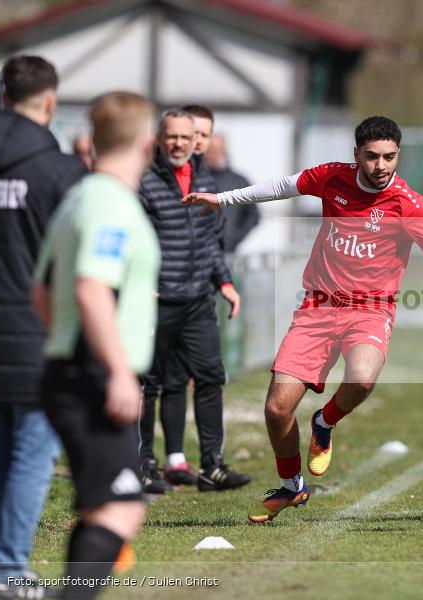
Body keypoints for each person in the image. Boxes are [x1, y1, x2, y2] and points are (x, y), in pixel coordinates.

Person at [182, 115, 423, 523]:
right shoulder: (331, 178)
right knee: (277, 409)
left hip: (371, 309)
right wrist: (223, 198)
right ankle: (291, 486)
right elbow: (282, 186)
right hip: (318, 306)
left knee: (363, 378)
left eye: (389, 157)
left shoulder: (408, 203)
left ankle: (324, 420)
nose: (381, 165)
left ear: (398, 155)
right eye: (372, 157)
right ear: (357, 156)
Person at [34, 91, 160, 600]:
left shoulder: (79, 197)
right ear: (147, 144)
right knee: (122, 506)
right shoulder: (110, 202)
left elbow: (41, 290)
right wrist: (117, 370)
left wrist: (61, 341)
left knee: (101, 507)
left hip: (74, 367)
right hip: (95, 374)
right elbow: (90, 286)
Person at [0, 55, 86, 599]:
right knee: (30, 454)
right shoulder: (60, 172)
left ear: (5, 98)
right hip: (33, 335)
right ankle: (6, 572)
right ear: (49, 102)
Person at [138, 109, 249, 492]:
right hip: (156, 299)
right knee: (148, 383)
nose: (181, 144)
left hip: (198, 300)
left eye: (188, 137)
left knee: (209, 378)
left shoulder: (204, 177)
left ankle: (212, 467)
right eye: (173, 136)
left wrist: (225, 283)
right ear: (160, 137)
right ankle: (144, 465)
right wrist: (139, 282)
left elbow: (208, 242)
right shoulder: (145, 180)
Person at [205, 133, 260, 252]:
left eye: (216, 150)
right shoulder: (197, 180)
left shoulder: (239, 182)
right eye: (209, 150)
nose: (211, 155)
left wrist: (234, 238)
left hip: (227, 253)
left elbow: (253, 215)